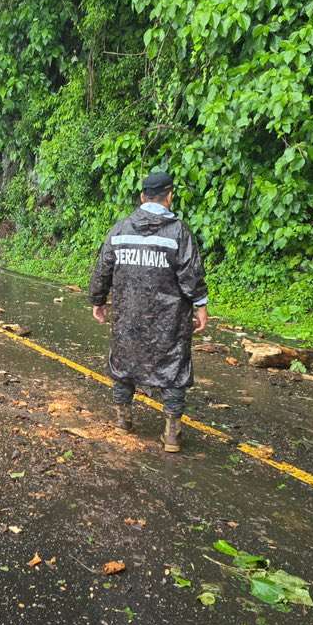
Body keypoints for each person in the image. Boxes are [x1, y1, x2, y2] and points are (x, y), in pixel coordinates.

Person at [88, 170, 208, 453]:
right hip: (169, 319)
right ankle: (171, 435)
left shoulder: (120, 230)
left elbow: (103, 268)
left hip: (128, 317)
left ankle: (123, 420)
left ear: (142, 197)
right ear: (170, 196)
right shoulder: (178, 232)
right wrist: (200, 304)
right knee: (174, 368)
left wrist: (98, 300)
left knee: (123, 364)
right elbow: (191, 273)